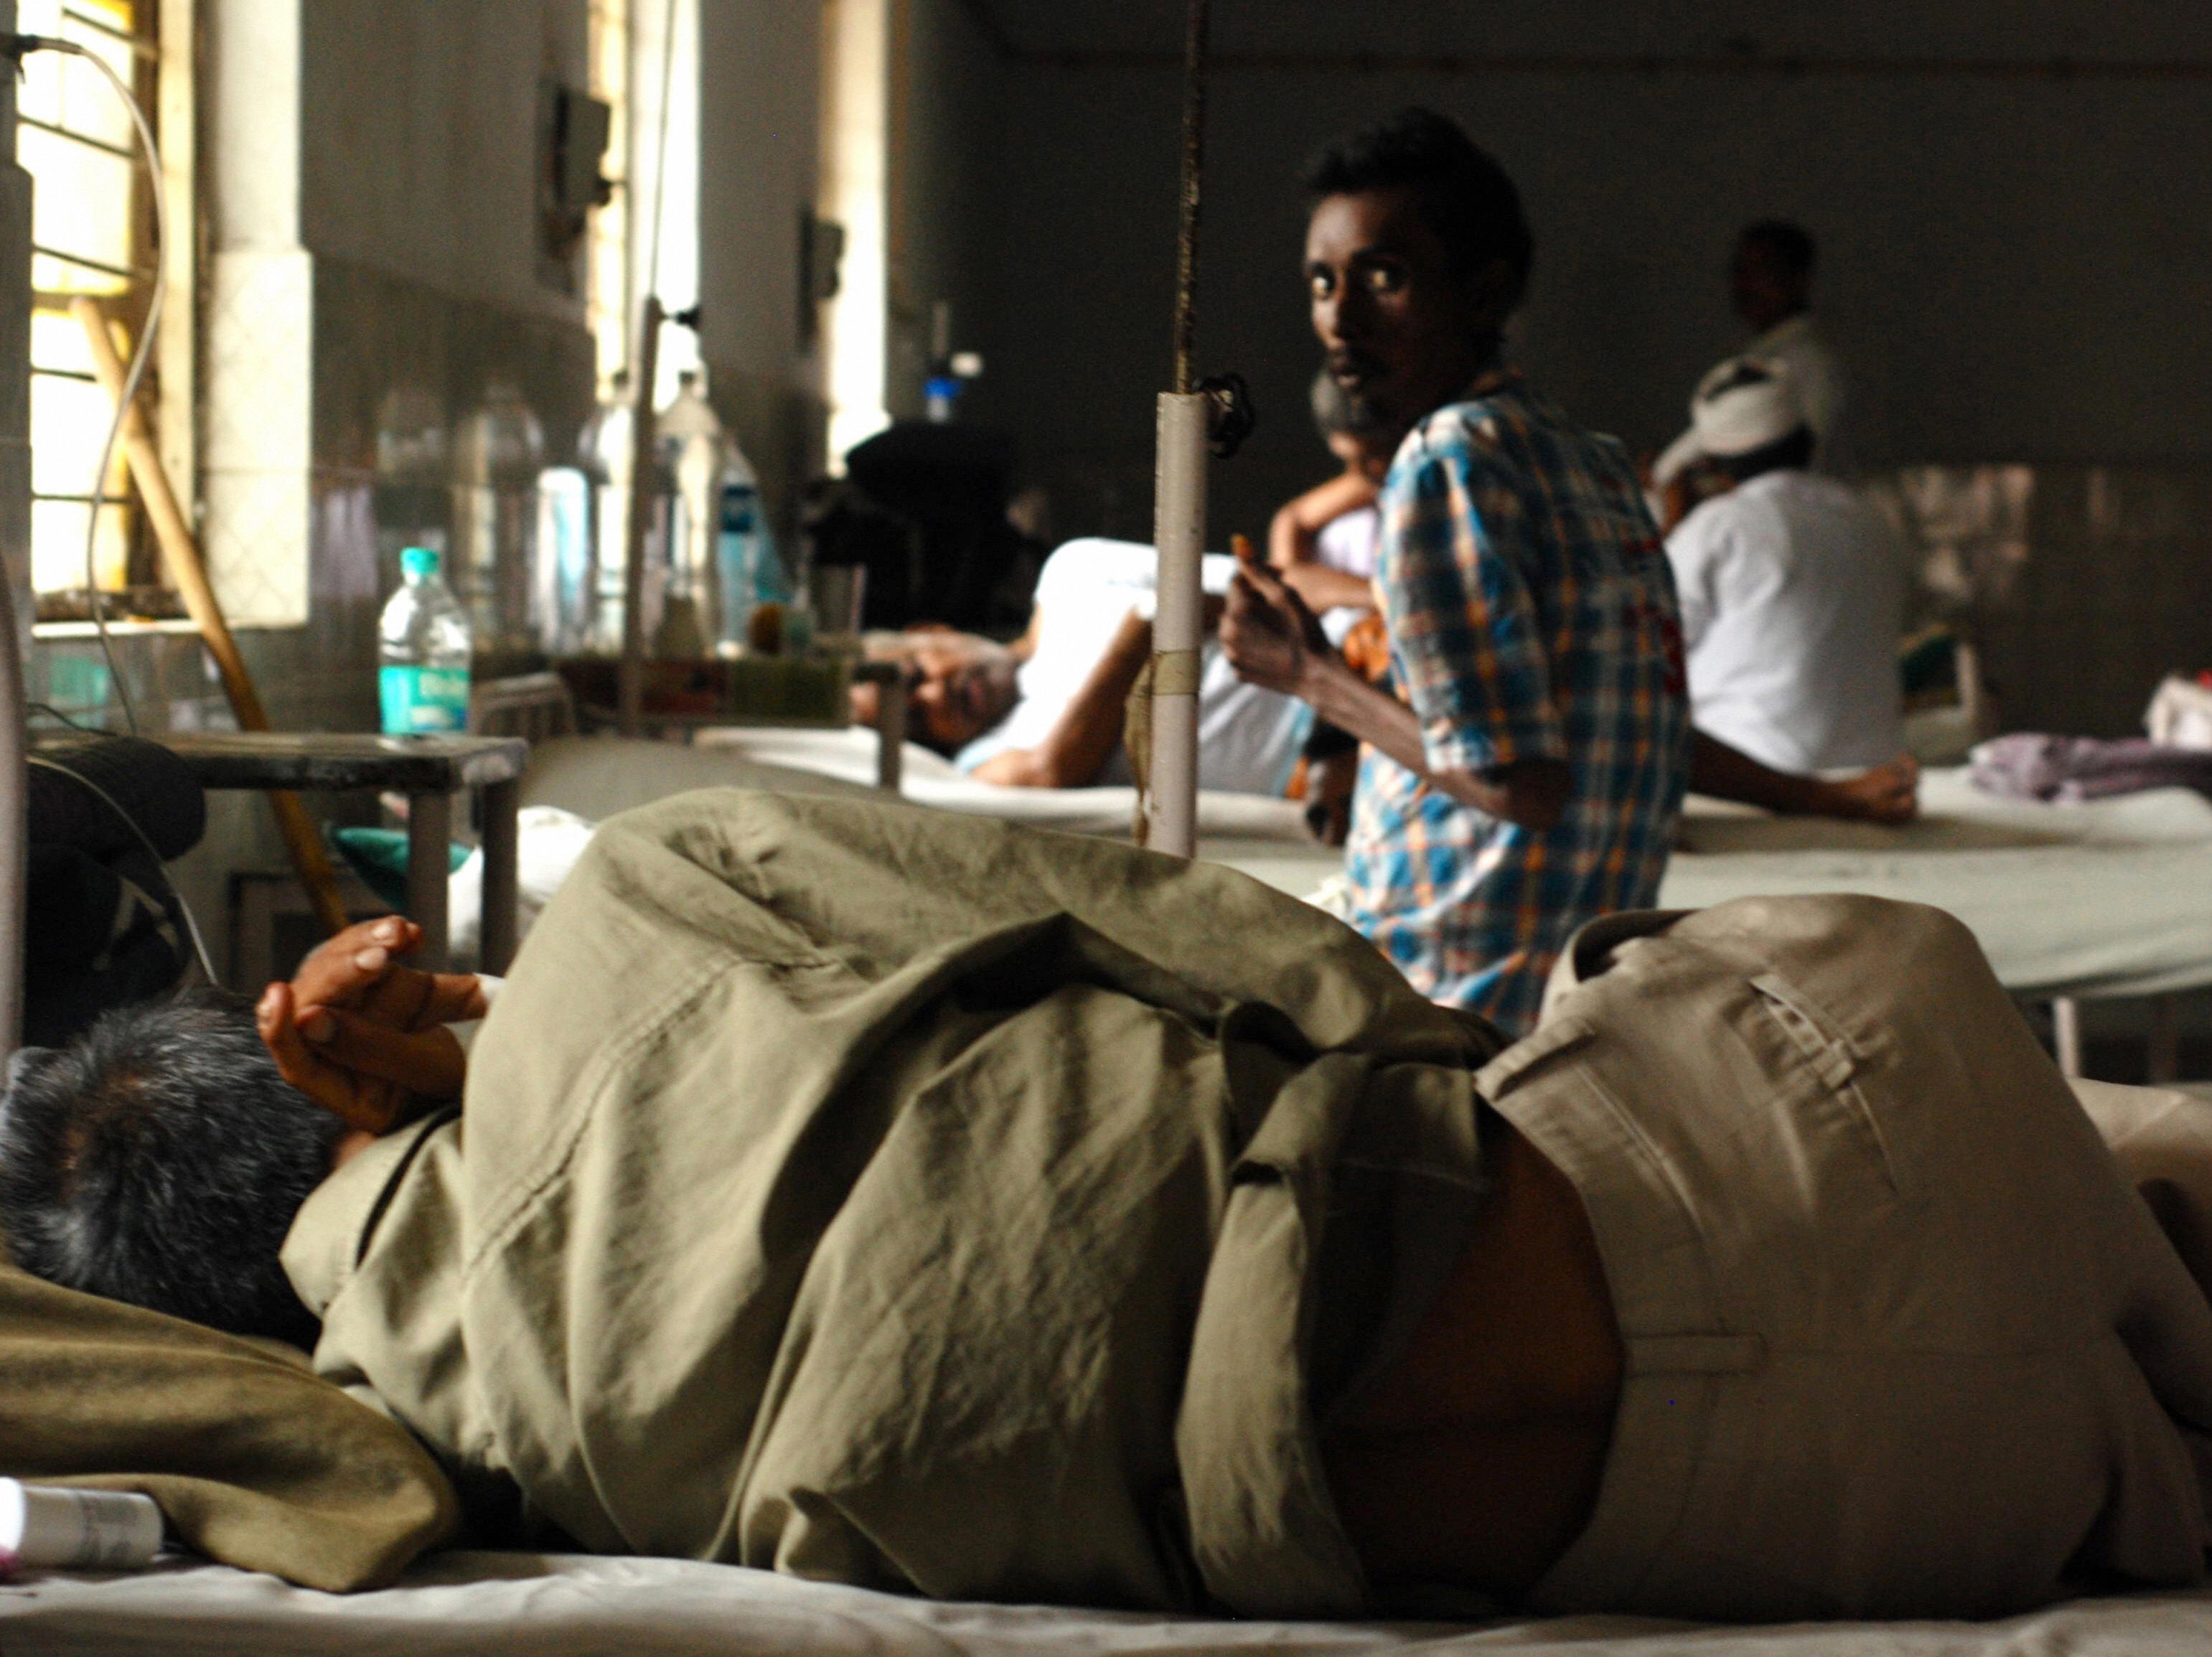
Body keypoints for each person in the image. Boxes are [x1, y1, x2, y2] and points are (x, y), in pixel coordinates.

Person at [6, 789, 2212, 1625]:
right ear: (290, 1074)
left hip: (1855, 1504)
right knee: (2029, 1124)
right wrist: (521, 1013)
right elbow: (1269, 958)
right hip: (1800, 1145)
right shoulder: (641, 910)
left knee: (2102, 1284)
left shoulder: (445, 1443)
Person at [1222, 111, 1912, 1036]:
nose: (1338, 318)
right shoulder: (1593, 463)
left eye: (1384, 277)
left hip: (1442, 988)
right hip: (1576, 976)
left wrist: (1308, 674)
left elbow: (1522, 787)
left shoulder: (1446, 462)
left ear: (1483, 291)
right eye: (1320, 281)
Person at [1664, 358, 1908, 774]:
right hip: (1873, 765)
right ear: (1810, 443)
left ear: (1715, 465)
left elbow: (1657, 644)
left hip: (1755, 771)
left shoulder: (1719, 525)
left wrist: (1668, 527)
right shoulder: (1869, 517)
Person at [1654, 220, 1851, 493]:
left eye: (1763, 270)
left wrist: (1682, 480)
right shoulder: (1755, 360)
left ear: (1798, 279)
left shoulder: (1808, 365)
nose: (1747, 283)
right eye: (1741, 270)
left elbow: (1798, 464)